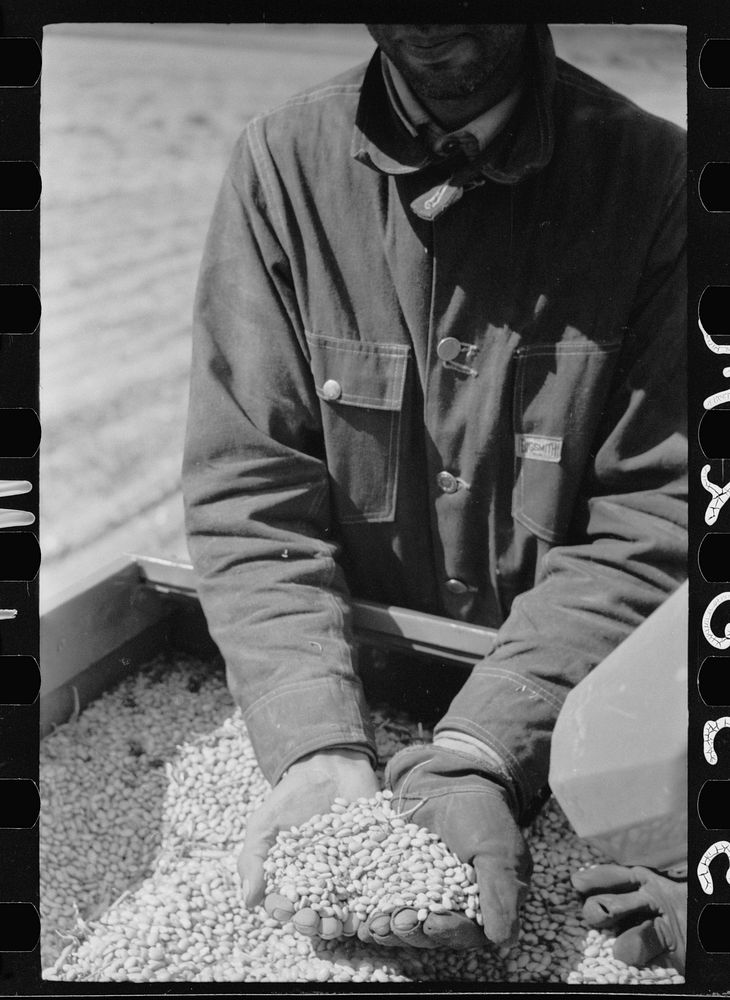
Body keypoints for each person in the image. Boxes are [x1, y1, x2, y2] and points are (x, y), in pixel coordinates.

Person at [182, 23, 687, 963]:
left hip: (573, 699)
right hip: (361, 676)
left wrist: (484, 751)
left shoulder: (660, 180)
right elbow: (250, 495)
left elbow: (659, 512)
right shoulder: (282, 165)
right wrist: (318, 745)